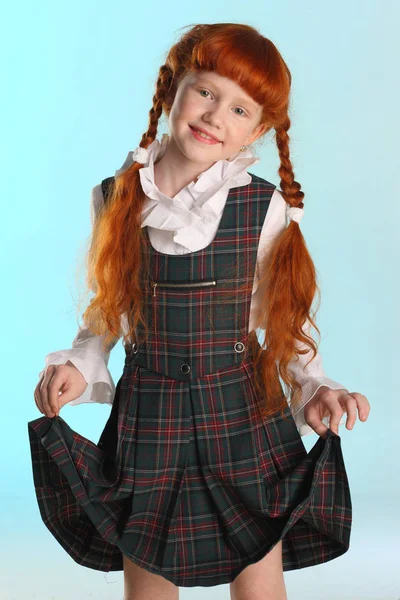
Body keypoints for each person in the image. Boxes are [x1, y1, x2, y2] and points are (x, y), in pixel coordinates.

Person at [28, 22, 370, 600]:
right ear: (173, 90)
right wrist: (79, 366)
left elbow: (286, 318)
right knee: (150, 574)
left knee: (258, 574)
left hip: (242, 408)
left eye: (240, 110)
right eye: (206, 91)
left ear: (257, 131)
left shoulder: (263, 207)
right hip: (150, 412)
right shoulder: (116, 197)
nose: (216, 116)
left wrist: (314, 387)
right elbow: (108, 311)